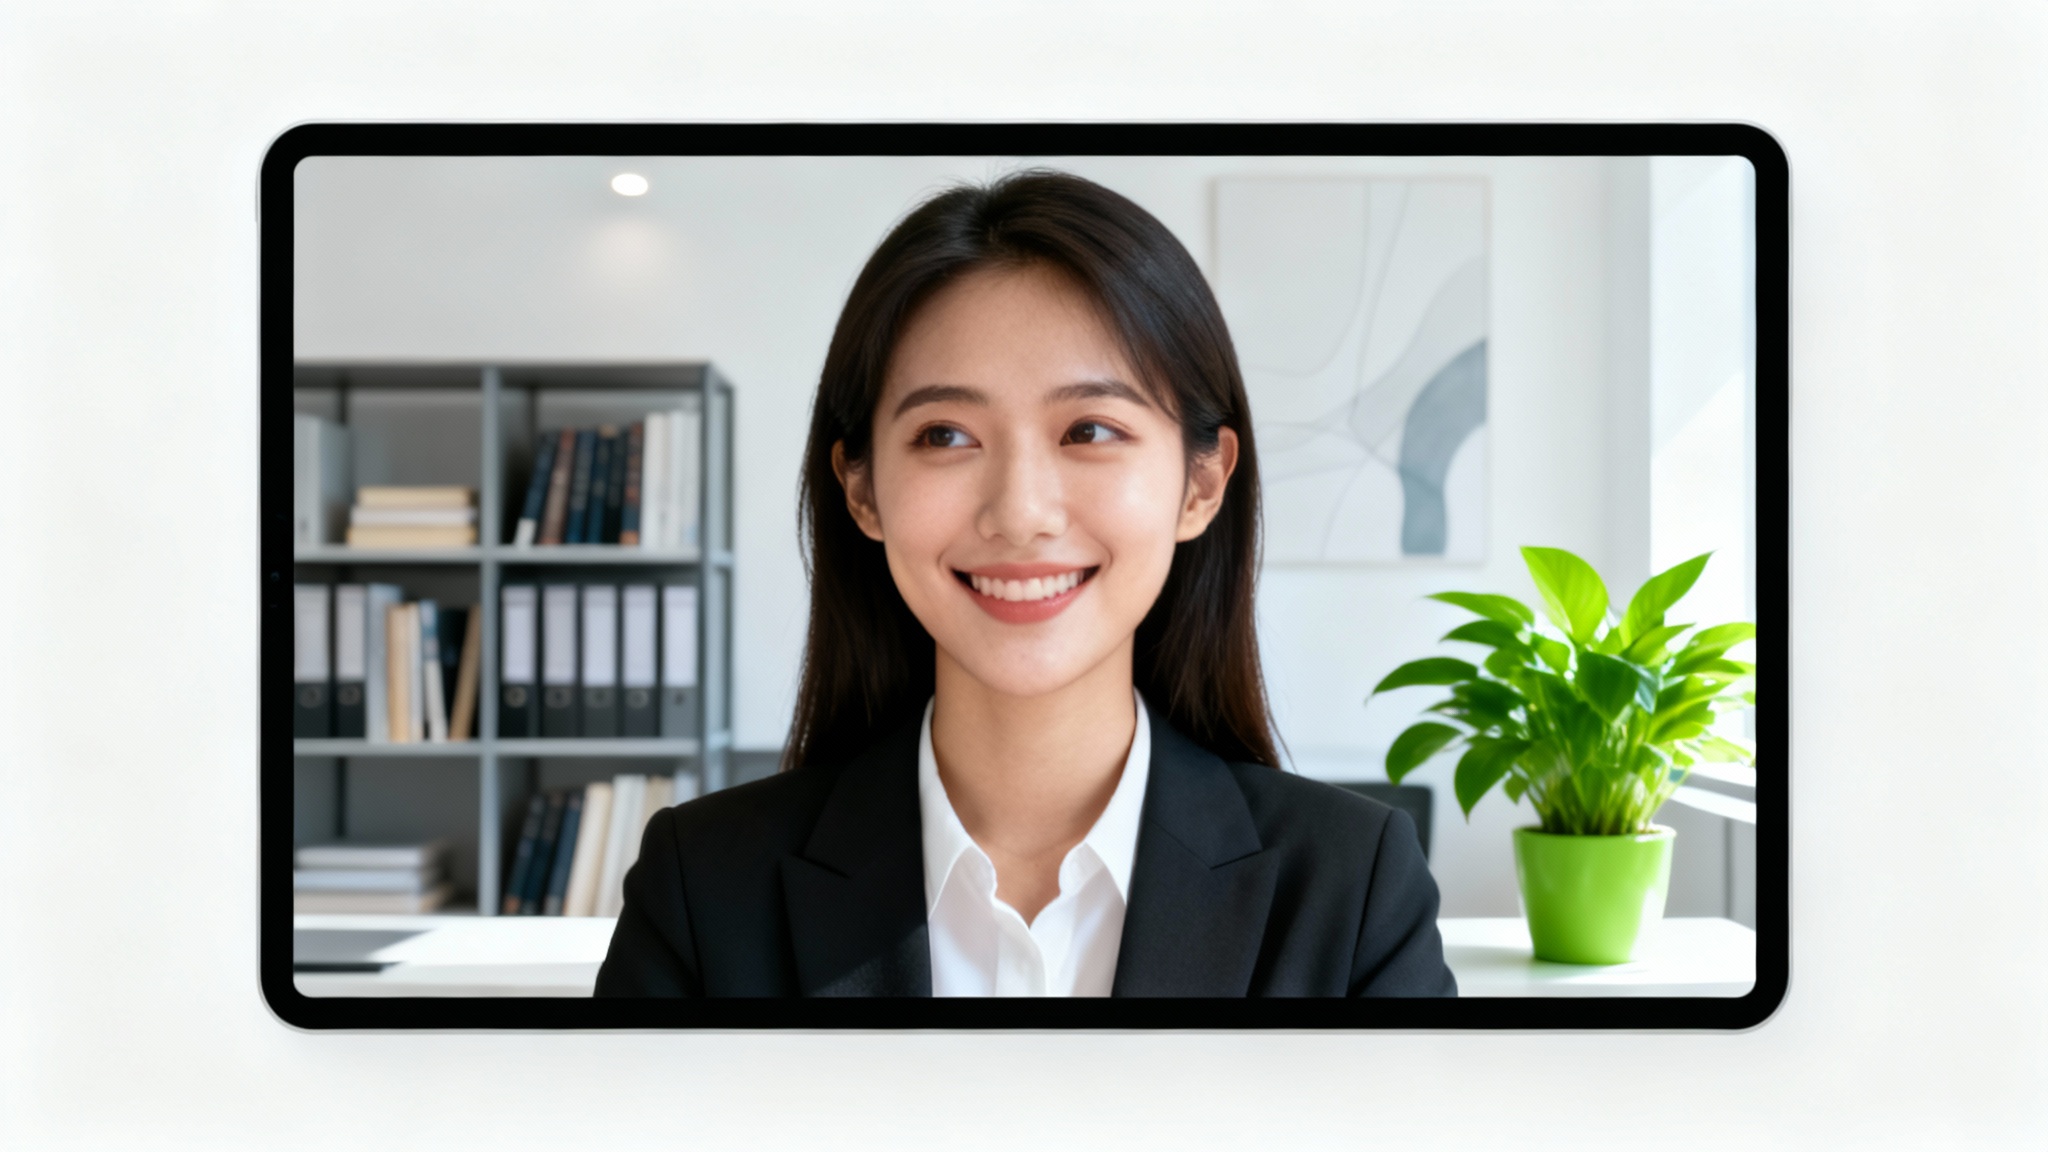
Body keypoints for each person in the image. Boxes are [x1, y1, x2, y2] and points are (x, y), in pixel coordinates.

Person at [595, 170, 1456, 998]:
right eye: (945, 435)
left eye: (1090, 430)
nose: (1020, 513)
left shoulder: (1355, 891)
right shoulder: (702, 887)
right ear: (862, 490)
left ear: (1201, 484)